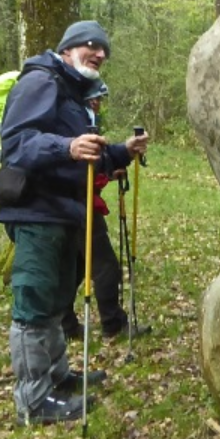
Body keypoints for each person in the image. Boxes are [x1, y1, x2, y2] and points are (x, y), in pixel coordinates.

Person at [0, 20, 149, 425]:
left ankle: (59, 377)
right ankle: (33, 401)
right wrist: (66, 146)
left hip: (66, 213)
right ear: (67, 49)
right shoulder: (41, 82)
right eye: (90, 45)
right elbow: (16, 145)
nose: (99, 53)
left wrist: (121, 151)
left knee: (54, 302)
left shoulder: (73, 93)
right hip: (37, 213)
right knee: (33, 307)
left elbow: (87, 159)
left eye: (103, 51)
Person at [62, 78, 152, 341]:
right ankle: (113, 324)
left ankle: (65, 325)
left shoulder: (76, 123)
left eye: (99, 100)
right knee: (105, 266)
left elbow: (93, 167)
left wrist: (110, 171)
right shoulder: (76, 126)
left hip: (74, 204)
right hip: (80, 206)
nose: (98, 105)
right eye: (94, 100)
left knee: (76, 268)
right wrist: (105, 173)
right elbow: (80, 171)